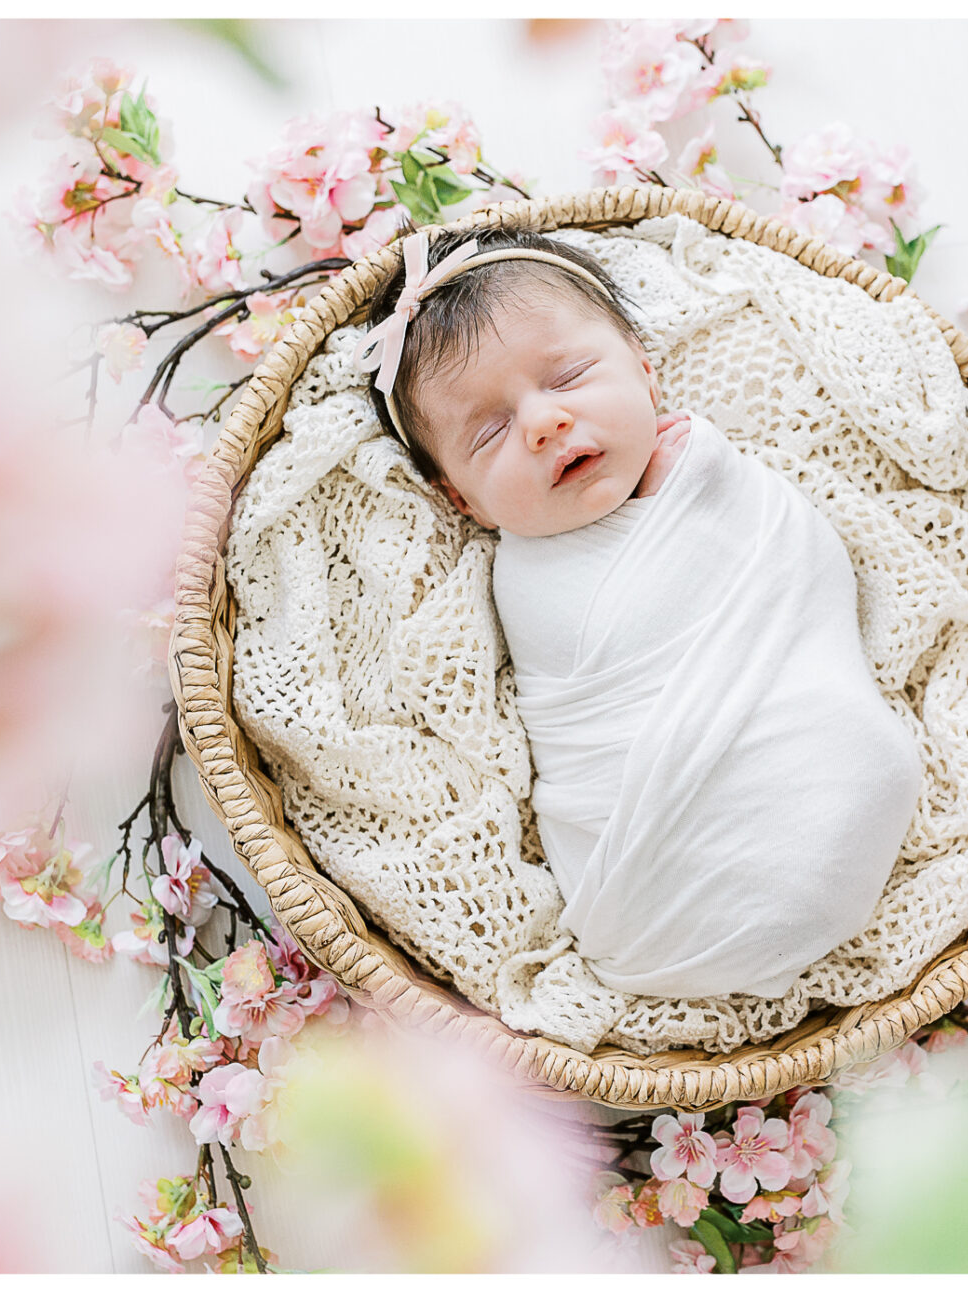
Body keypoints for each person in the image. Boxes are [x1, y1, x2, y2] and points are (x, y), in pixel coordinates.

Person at [355, 226, 921, 1000]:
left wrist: (696, 479)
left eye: (571, 374)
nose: (544, 423)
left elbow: (800, 564)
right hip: (656, 905)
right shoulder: (523, 580)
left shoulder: (719, 476)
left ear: (647, 373)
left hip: (829, 791)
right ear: (464, 501)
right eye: (489, 433)